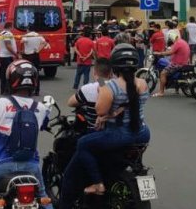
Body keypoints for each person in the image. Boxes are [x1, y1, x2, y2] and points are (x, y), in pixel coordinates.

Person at [59, 44, 150, 207]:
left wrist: (106, 115)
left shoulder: (109, 88)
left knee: (82, 144)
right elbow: (133, 103)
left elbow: (100, 111)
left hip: (118, 134)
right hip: (142, 132)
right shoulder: (143, 83)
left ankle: (97, 183)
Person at [0, 61, 53, 209]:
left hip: (2, 165)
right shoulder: (40, 108)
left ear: (11, 80)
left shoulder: (1, 104)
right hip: (31, 166)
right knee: (44, 199)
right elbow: (43, 125)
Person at [68, 58, 113, 123]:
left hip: (92, 129)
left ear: (94, 72)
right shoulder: (117, 86)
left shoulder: (88, 88)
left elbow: (70, 103)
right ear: (111, 73)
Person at [152, 30, 190, 97]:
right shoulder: (182, 41)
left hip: (177, 64)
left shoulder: (178, 43)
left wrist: (160, 53)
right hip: (184, 63)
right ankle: (176, 89)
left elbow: (170, 52)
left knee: (163, 73)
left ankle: (161, 92)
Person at [21, 31, 49, 95]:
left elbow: (22, 42)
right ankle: (37, 91)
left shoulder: (26, 35)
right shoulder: (38, 35)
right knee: (36, 73)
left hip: (28, 56)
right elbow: (44, 43)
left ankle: (29, 90)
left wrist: (22, 49)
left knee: (28, 73)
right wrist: (38, 49)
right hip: (36, 55)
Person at [0, 22, 18, 94]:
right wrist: (15, 54)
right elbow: (8, 45)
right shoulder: (7, 34)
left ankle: (3, 90)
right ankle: (7, 90)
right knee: (9, 74)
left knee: (4, 73)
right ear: (10, 26)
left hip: (3, 56)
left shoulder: (2, 33)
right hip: (7, 56)